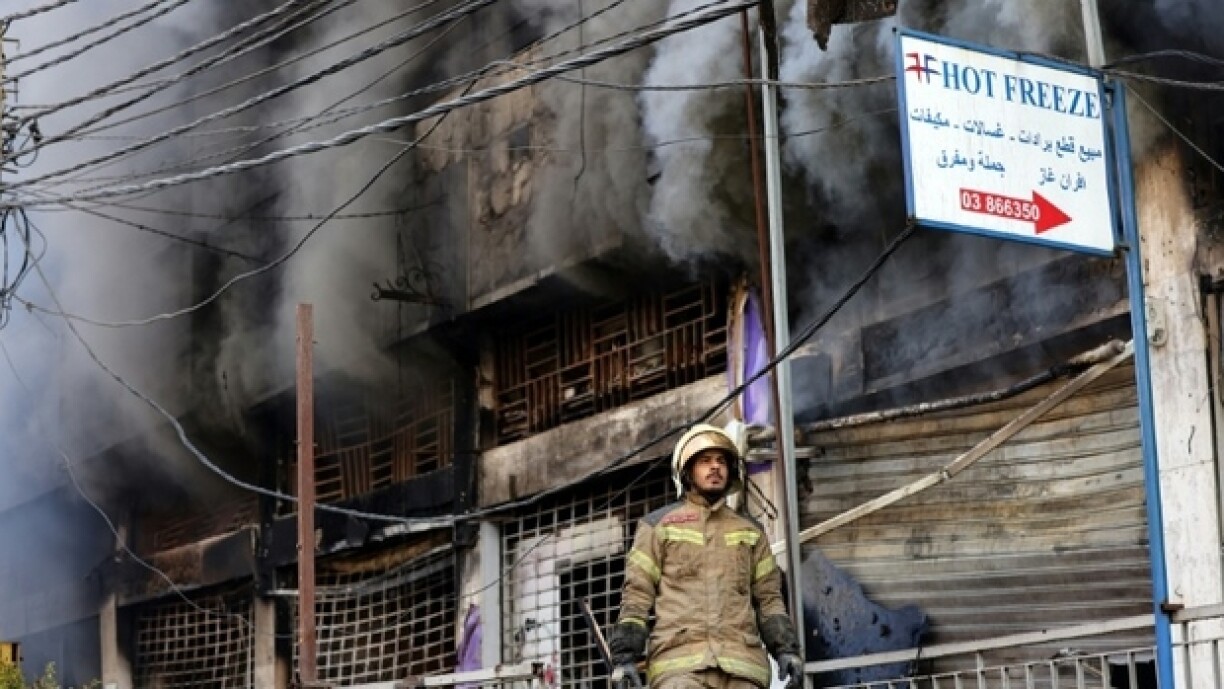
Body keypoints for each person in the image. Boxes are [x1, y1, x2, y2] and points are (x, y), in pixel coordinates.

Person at [607, 424, 804, 689]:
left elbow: (769, 600)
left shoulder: (750, 531)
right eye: (705, 461)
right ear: (687, 472)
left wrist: (786, 649)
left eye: (721, 461)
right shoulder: (658, 526)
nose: (715, 467)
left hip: (743, 667)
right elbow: (637, 596)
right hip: (680, 666)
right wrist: (624, 657)